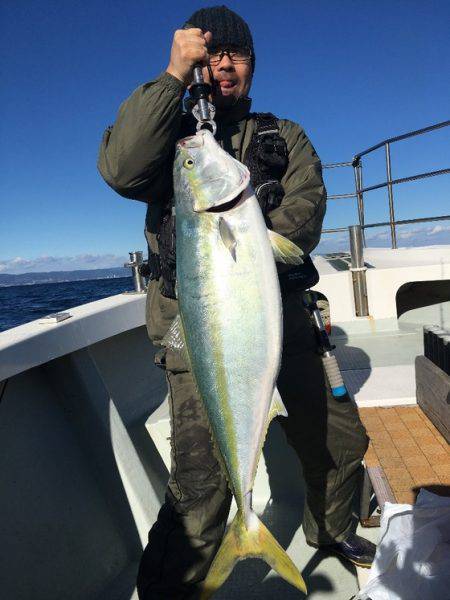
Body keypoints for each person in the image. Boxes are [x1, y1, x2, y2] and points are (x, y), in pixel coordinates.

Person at [98, 6, 375, 599]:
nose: (224, 65)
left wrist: (252, 233)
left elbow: (307, 209)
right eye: (211, 55)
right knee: (200, 485)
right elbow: (121, 169)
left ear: (252, 66)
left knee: (341, 439)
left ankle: (329, 532)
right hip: (197, 326)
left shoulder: (284, 135)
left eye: (237, 55)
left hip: (282, 315)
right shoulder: (171, 140)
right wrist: (172, 76)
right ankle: (171, 590)